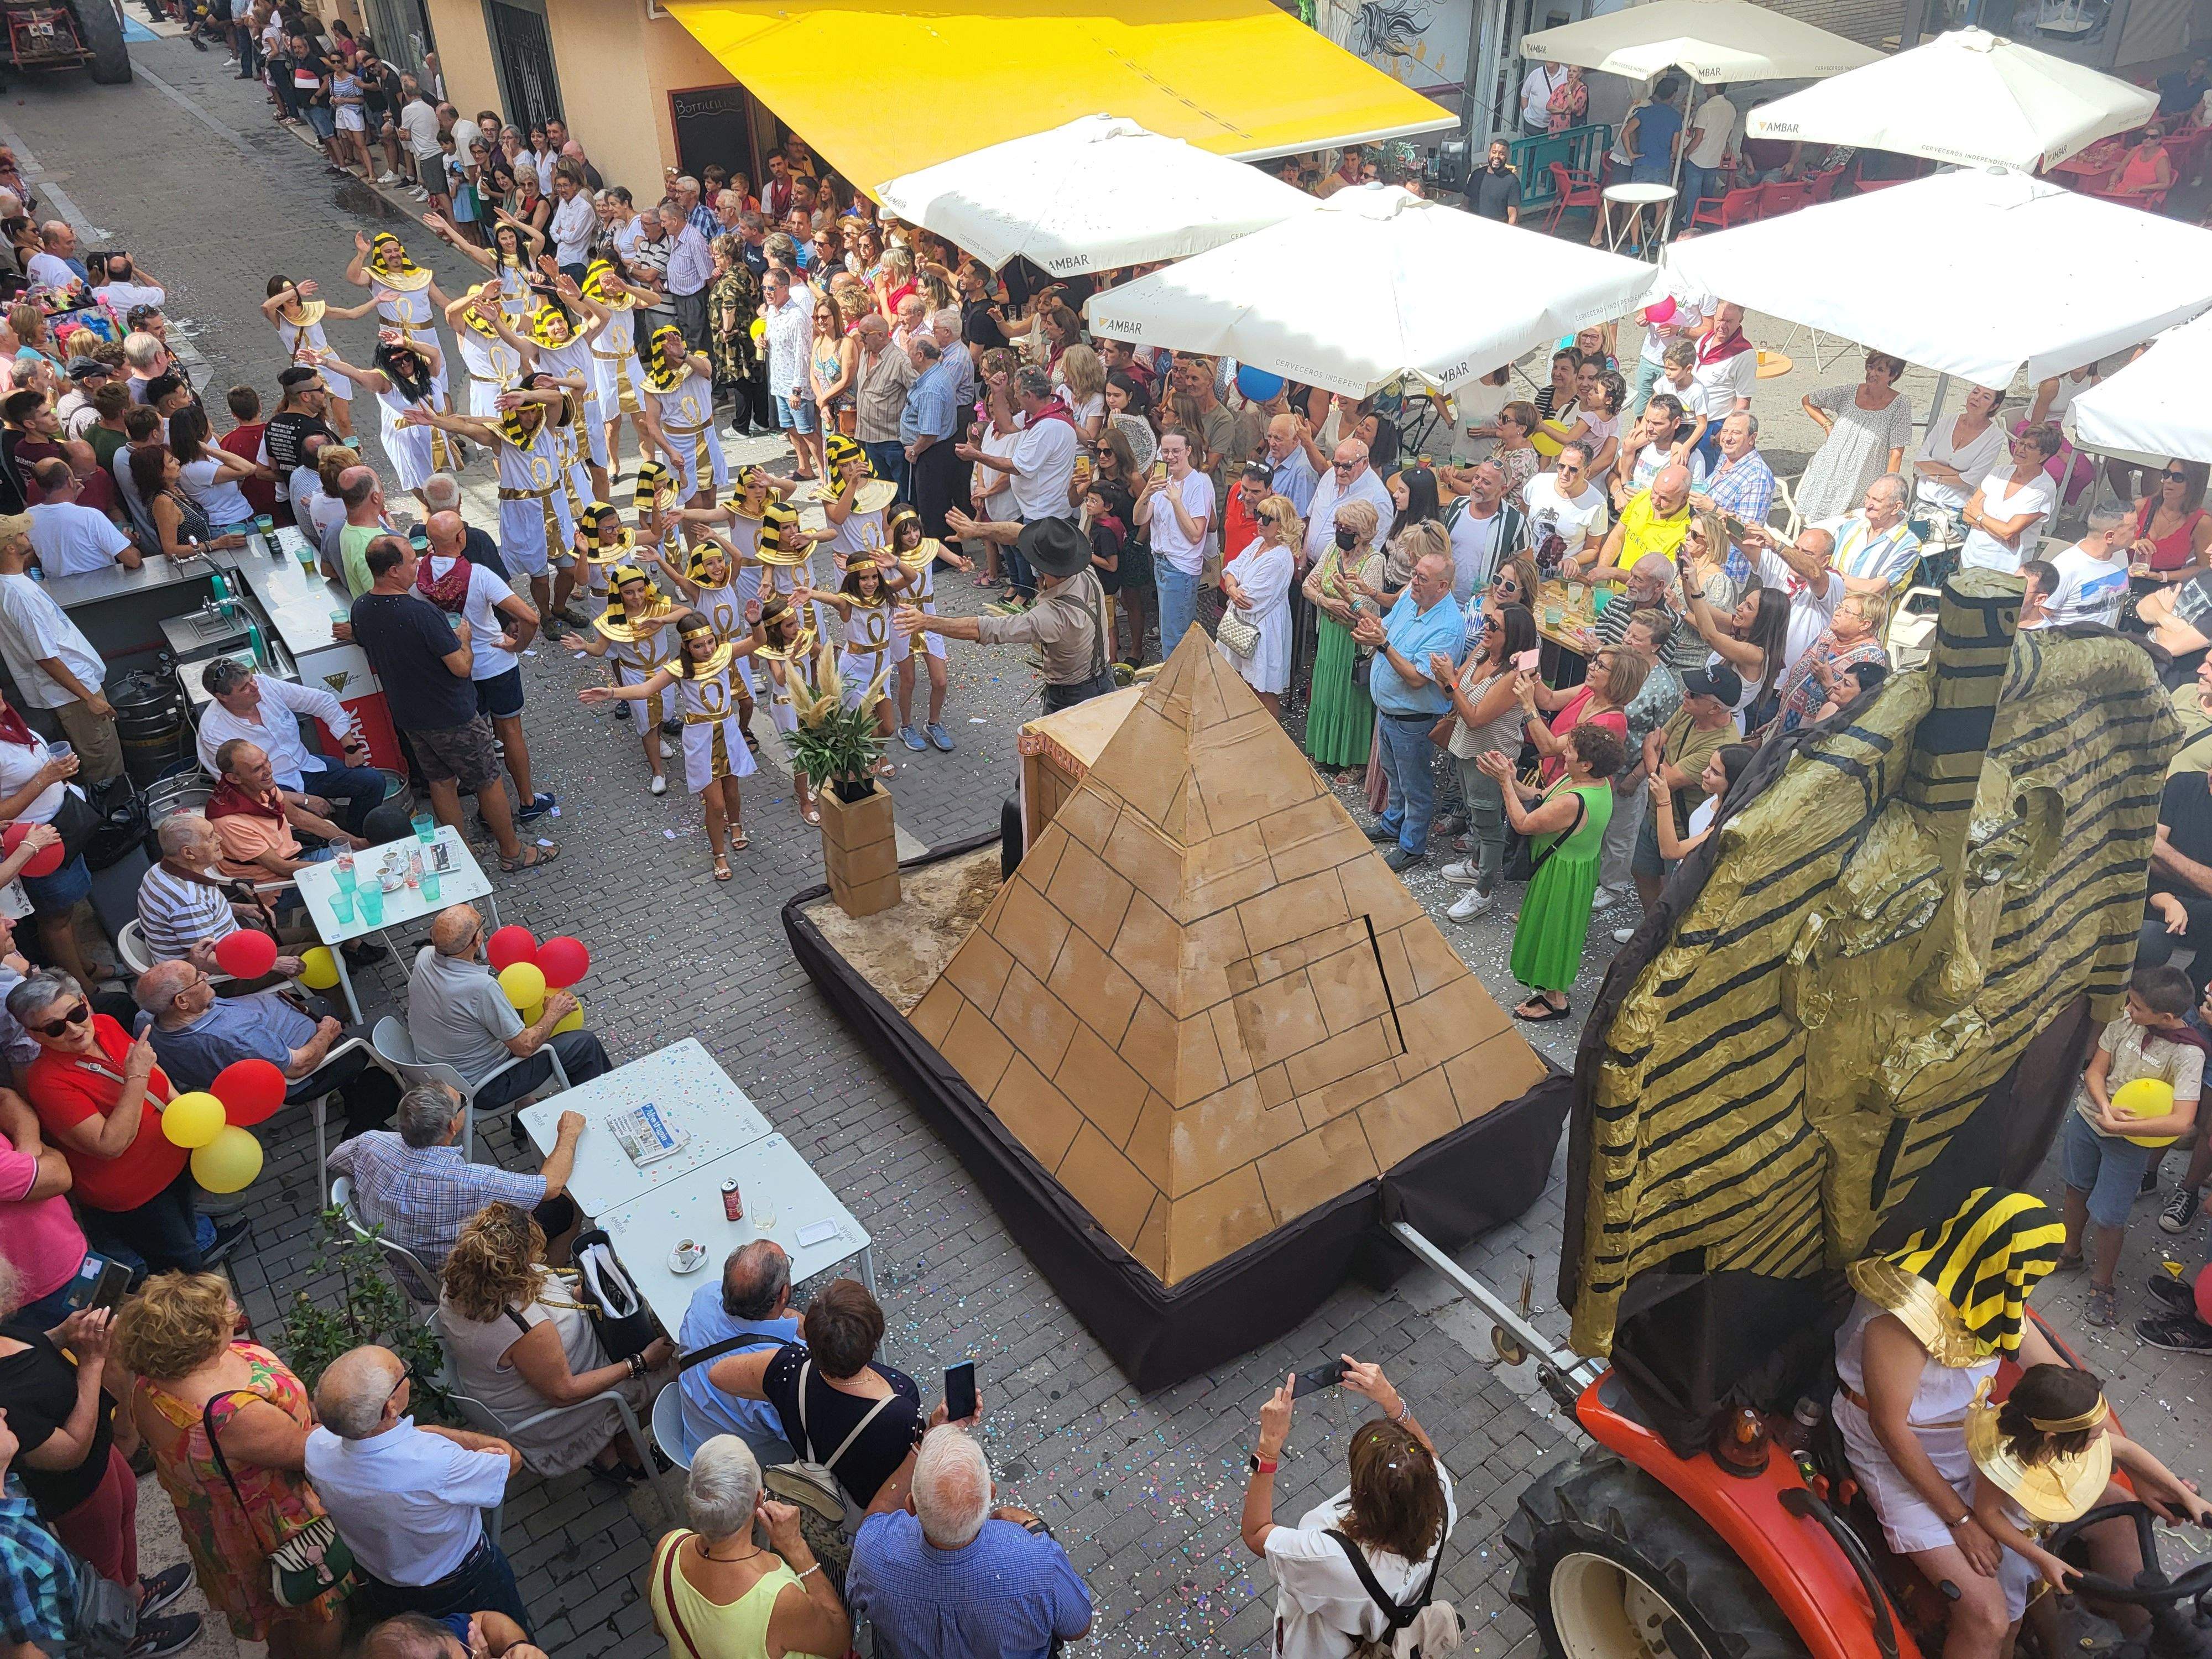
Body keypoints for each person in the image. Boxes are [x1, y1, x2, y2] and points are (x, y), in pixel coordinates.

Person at [1829, 1192, 2078, 1659]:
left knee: (2104, 1510)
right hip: (1895, 1458)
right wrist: (1961, 1521)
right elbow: (1890, 1429)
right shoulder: (1900, 1317)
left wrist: (2094, 1427)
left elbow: (2052, 1373)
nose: (2027, 1290)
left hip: (1971, 1443)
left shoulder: (1990, 1287)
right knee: (1986, 1617)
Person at [113, 1271, 352, 1659]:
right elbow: (310, 1453)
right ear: (197, 1344)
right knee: (318, 1612)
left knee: (280, 1615)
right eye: (219, 1310)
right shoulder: (230, 1416)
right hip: (278, 1526)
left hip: (223, 1527)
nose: (231, 1307)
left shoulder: (150, 1383)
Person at [0, 1258, 196, 1627]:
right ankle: (125, 1630)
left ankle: (134, 1595)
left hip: (100, 1457)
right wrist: (91, 1365)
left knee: (125, 1514)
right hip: (76, 1492)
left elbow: (33, 1346)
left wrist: (64, 1334)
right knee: (104, 1559)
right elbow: (69, 1452)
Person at [13, 972, 245, 1273]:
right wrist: (136, 1076)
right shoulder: (48, 1081)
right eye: (55, 1028)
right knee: (181, 1267)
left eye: (77, 1013)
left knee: (187, 1233)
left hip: (173, 1162)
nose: (73, 1029)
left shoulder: (106, 1025)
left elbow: (154, 1071)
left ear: (85, 1002)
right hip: (135, 1193)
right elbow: (109, 1145)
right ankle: (203, 1314)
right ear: (35, 1035)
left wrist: (186, 1110)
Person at [348, 538, 553, 872]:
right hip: (451, 713)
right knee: (488, 779)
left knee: (440, 781)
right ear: (393, 570)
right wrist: (465, 641)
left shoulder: (361, 608)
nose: (419, 565)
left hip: (409, 713)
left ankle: (462, 853)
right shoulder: (420, 612)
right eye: (412, 561)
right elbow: (461, 667)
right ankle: (512, 852)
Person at [1240, 1355, 1454, 1658]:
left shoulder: (1329, 1558)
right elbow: (1431, 1456)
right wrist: (1392, 1401)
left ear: (1361, 1494)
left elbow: (1256, 1532)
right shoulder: (1440, 1504)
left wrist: (1268, 1445)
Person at [437, 1202, 670, 1480]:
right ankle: (630, 1448)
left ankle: (609, 1447)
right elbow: (564, 1392)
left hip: (504, 1389)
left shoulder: (460, 1283)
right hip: (550, 1415)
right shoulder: (524, 1326)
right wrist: (640, 1362)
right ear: (515, 1270)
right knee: (673, 1366)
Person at [305, 1345, 526, 1628]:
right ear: (390, 1408)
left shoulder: (317, 1449)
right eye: (403, 1373)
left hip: (386, 1587)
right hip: (463, 1585)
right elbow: (512, 1461)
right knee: (509, 1639)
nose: (407, 1375)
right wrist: (437, 1433)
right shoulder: (435, 1462)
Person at [848, 1426, 1092, 1659]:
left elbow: (875, 1518)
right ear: (992, 1493)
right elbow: (1077, 1628)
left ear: (911, 1506)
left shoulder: (874, 1550)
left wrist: (919, 1448)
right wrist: (1034, 1526)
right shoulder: (1037, 1561)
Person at [705, 1277, 937, 1513]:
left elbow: (718, 1375)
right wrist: (935, 1430)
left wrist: (775, 1395)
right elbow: (914, 1478)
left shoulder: (788, 1371)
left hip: (820, 1482)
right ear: (874, 1340)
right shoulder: (901, 1405)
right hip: (866, 1504)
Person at [2058, 966, 2201, 1328]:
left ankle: (2103, 1284)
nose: (2128, 1008)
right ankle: (2070, 1251)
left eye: (2136, 1006)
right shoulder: (2125, 1022)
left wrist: (2126, 1126)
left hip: (2130, 1145)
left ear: (2166, 1017)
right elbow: (2095, 1071)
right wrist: (2106, 1110)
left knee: (2110, 1216)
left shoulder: (2189, 1055)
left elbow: (2183, 1120)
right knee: (2076, 1188)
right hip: (2090, 1121)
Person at [582, 608, 765, 879]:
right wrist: (611, 693)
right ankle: (719, 853)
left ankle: (736, 824)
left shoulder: (725, 653)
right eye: (699, 645)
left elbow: (758, 642)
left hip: (727, 730)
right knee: (715, 804)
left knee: (733, 790)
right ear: (686, 646)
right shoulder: (678, 668)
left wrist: (755, 622)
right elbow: (645, 690)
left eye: (710, 642)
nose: (707, 649)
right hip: (701, 738)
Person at [133, 958, 395, 1139]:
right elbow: (298, 1066)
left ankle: (352, 1093)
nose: (205, 976)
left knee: (324, 1005)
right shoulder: (233, 1037)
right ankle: (362, 1127)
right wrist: (326, 1034)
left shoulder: (145, 1021)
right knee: (379, 1039)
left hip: (283, 1034)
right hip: (305, 1074)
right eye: (197, 978)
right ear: (181, 1002)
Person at [650, 1436, 850, 1659]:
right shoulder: (777, 1598)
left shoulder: (668, 1548)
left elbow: (660, 1626)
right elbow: (839, 1640)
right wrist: (796, 1548)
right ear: (758, 1500)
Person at [411, 513, 554, 823]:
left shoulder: (417, 578)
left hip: (454, 669)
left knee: (476, 742)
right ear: (462, 538)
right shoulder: (478, 574)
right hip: (495, 663)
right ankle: (528, 801)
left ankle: (489, 810)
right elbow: (530, 617)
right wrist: (518, 646)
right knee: (511, 732)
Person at [406, 903, 610, 1117]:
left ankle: (525, 1115)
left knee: (515, 1011)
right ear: (477, 940)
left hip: (438, 1071)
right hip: (484, 1087)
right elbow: (525, 1047)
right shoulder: (481, 987)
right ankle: (603, 1113)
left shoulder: (424, 957)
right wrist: (554, 1013)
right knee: (584, 1045)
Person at [1482, 721, 1625, 1021]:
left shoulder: (1575, 801)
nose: (1564, 752)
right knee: (1559, 930)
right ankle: (1552, 991)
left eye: (1570, 750)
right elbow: (1540, 797)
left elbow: (1523, 822)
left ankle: (1556, 1001)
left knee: (1554, 931)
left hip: (1563, 873)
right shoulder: (1590, 782)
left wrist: (1505, 784)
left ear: (1586, 764)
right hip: (1575, 866)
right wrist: (1511, 777)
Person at [900, 518, 1114, 711]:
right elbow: (1020, 533)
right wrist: (977, 529)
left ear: (1040, 566)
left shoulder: (1051, 616)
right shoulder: (1086, 571)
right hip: (1106, 682)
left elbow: (982, 629)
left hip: (1071, 698)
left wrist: (926, 621)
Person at [1354, 550, 1468, 872]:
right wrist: (1361, 615)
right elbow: (1385, 628)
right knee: (1394, 775)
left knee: (1415, 786)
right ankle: (1392, 824)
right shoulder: (1411, 598)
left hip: (1413, 720)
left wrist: (1381, 645)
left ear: (1443, 586)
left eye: (1422, 577)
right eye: (1414, 574)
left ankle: (1412, 846)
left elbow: (1417, 679)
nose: (1413, 581)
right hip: (1389, 712)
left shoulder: (1447, 628)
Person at [1620, 665, 1744, 937]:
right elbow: (1660, 747)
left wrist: (1648, 753)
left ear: (1714, 708)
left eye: (1695, 693)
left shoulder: (1720, 746)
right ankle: (1650, 932)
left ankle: (1663, 938)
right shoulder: (1690, 710)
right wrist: (1655, 762)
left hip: (1681, 827)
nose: (1686, 694)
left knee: (1673, 889)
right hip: (1656, 813)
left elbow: (1665, 774)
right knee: (1642, 871)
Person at [195, 659, 383, 834]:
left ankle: (359, 836)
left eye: (251, 680)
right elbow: (242, 788)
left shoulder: (264, 685)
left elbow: (322, 701)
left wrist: (350, 747)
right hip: (272, 787)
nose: (254, 687)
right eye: (244, 688)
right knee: (308, 826)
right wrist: (305, 800)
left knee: (373, 782)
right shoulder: (213, 731)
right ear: (222, 697)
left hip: (306, 765)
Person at [0, 514, 123, 783]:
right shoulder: (21, 595)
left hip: (67, 690)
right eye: (21, 535)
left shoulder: (11, 586)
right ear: (9, 547)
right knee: (104, 764)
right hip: (73, 693)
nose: (27, 537)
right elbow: (45, 656)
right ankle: (121, 816)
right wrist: (88, 698)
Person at [1436, 603, 1538, 921]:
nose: (1485, 628)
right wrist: (1446, 675)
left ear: (1513, 638)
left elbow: (1476, 717)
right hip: (1468, 749)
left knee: (1488, 822)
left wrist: (1450, 682)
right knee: (1474, 808)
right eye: (1486, 621)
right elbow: (1451, 689)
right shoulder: (1482, 652)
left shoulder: (1514, 675)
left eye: (1494, 626)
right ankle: (1478, 863)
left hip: (1491, 755)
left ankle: (1483, 890)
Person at [673, 1240, 801, 1465]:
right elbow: (805, 1432)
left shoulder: (704, 1299)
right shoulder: (783, 1368)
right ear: (783, 1294)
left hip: (696, 1443)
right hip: (747, 1467)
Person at [1797, 353, 1913, 525]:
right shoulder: (1851, 392)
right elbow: (1808, 401)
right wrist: (1827, 425)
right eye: (1870, 367)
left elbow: (1896, 453)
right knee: (1814, 526)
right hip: (1828, 473)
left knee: (1848, 530)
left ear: (1894, 375)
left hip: (1861, 481)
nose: (1872, 373)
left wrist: (1888, 490)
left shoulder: (1900, 405)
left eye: (1880, 370)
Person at [1217, 494, 1298, 716]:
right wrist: (1233, 589)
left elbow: (1250, 600)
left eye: (1268, 518)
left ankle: (1272, 742)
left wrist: (1232, 589)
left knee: (1263, 689)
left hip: (1263, 629)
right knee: (1241, 680)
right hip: (1243, 623)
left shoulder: (1280, 558)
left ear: (1282, 525)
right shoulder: (1258, 543)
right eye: (1259, 515)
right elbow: (1233, 567)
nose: (1260, 521)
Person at [1771, 593, 1888, 737]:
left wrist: (1828, 682)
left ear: (1865, 625)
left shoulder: (1870, 658)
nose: (1837, 613)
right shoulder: (1830, 634)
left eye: (1846, 611)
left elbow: (1855, 709)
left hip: (1810, 739)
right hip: (1784, 726)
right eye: (1840, 607)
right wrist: (1776, 719)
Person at [1958, 424, 2061, 576]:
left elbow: (2007, 532)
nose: (2021, 449)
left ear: (2044, 456)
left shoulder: (2044, 488)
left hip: (2005, 569)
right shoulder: (1998, 473)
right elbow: (1967, 514)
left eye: (2030, 447)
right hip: (1970, 559)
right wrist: (1999, 529)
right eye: (2020, 443)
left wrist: (1979, 515)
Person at [1910, 385, 2006, 545]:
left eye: (1986, 397)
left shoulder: (1995, 437)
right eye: (1975, 392)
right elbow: (1920, 461)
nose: (1976, 398)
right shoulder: (1948, 420)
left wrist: (1934, 475)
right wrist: (1954, 474)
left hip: (1953, 516)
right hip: (1922, 506)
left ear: (1994, 406)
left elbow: (1972, 479)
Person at [25, 461, 134, 576]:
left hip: (59, 591)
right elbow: (132, 560)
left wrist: (71, 500)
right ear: (70, 482)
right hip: (104, 589)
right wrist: (128, 542)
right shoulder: (91, 516)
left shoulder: (28, 517)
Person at [1521, 444, 1609, 575]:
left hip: (1559, 581)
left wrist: (1574, 560)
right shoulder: (1538, 483)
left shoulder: (1597, 503)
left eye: (1573, 469)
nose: (1565, 473)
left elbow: (1593, 549)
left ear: (1588, 471)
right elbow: (1522, 517)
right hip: (1525, 572)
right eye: (1561, 466)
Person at [2037, 510, 2132, 629]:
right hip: (2069, 644)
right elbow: (2040, 615)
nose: (2138, 529)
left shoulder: (2120, 555)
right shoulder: (2065, 568)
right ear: (2110, 536)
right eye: (2132, 529)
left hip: (2105, 642)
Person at [2128, 458, 2212, 586]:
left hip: (2164, 588)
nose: (2168, 481)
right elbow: (2107, 540)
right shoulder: (2141, 506)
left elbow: (2203, 567)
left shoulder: (2202, 523)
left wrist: (2162, 577)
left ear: (2194, 483)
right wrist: (2131, 543)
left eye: (2177, 477)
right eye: (2166, 474)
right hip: (2126, 579)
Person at [1469, 139, 1520, 223]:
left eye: (1502, 154)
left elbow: (1513, 217)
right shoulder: (1477, 175)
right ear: (1489, 153)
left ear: (1507, 157)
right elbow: (1465, 205)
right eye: (1494, 152)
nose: (1497, 156)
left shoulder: (1512, 181)